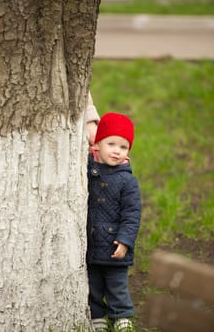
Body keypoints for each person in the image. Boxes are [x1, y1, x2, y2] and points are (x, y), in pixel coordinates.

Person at [86, 112, 141, 332]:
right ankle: (97, 316)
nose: (117, 151)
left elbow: (132, 213)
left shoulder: (127, 180)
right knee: (93, 285)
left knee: (117, 286)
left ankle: (122, 317)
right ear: (97, 143)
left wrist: (125, 241)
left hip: (115, 247)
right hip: (91, 245)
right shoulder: (89, 170)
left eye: (123, 147)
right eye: (111, 144)